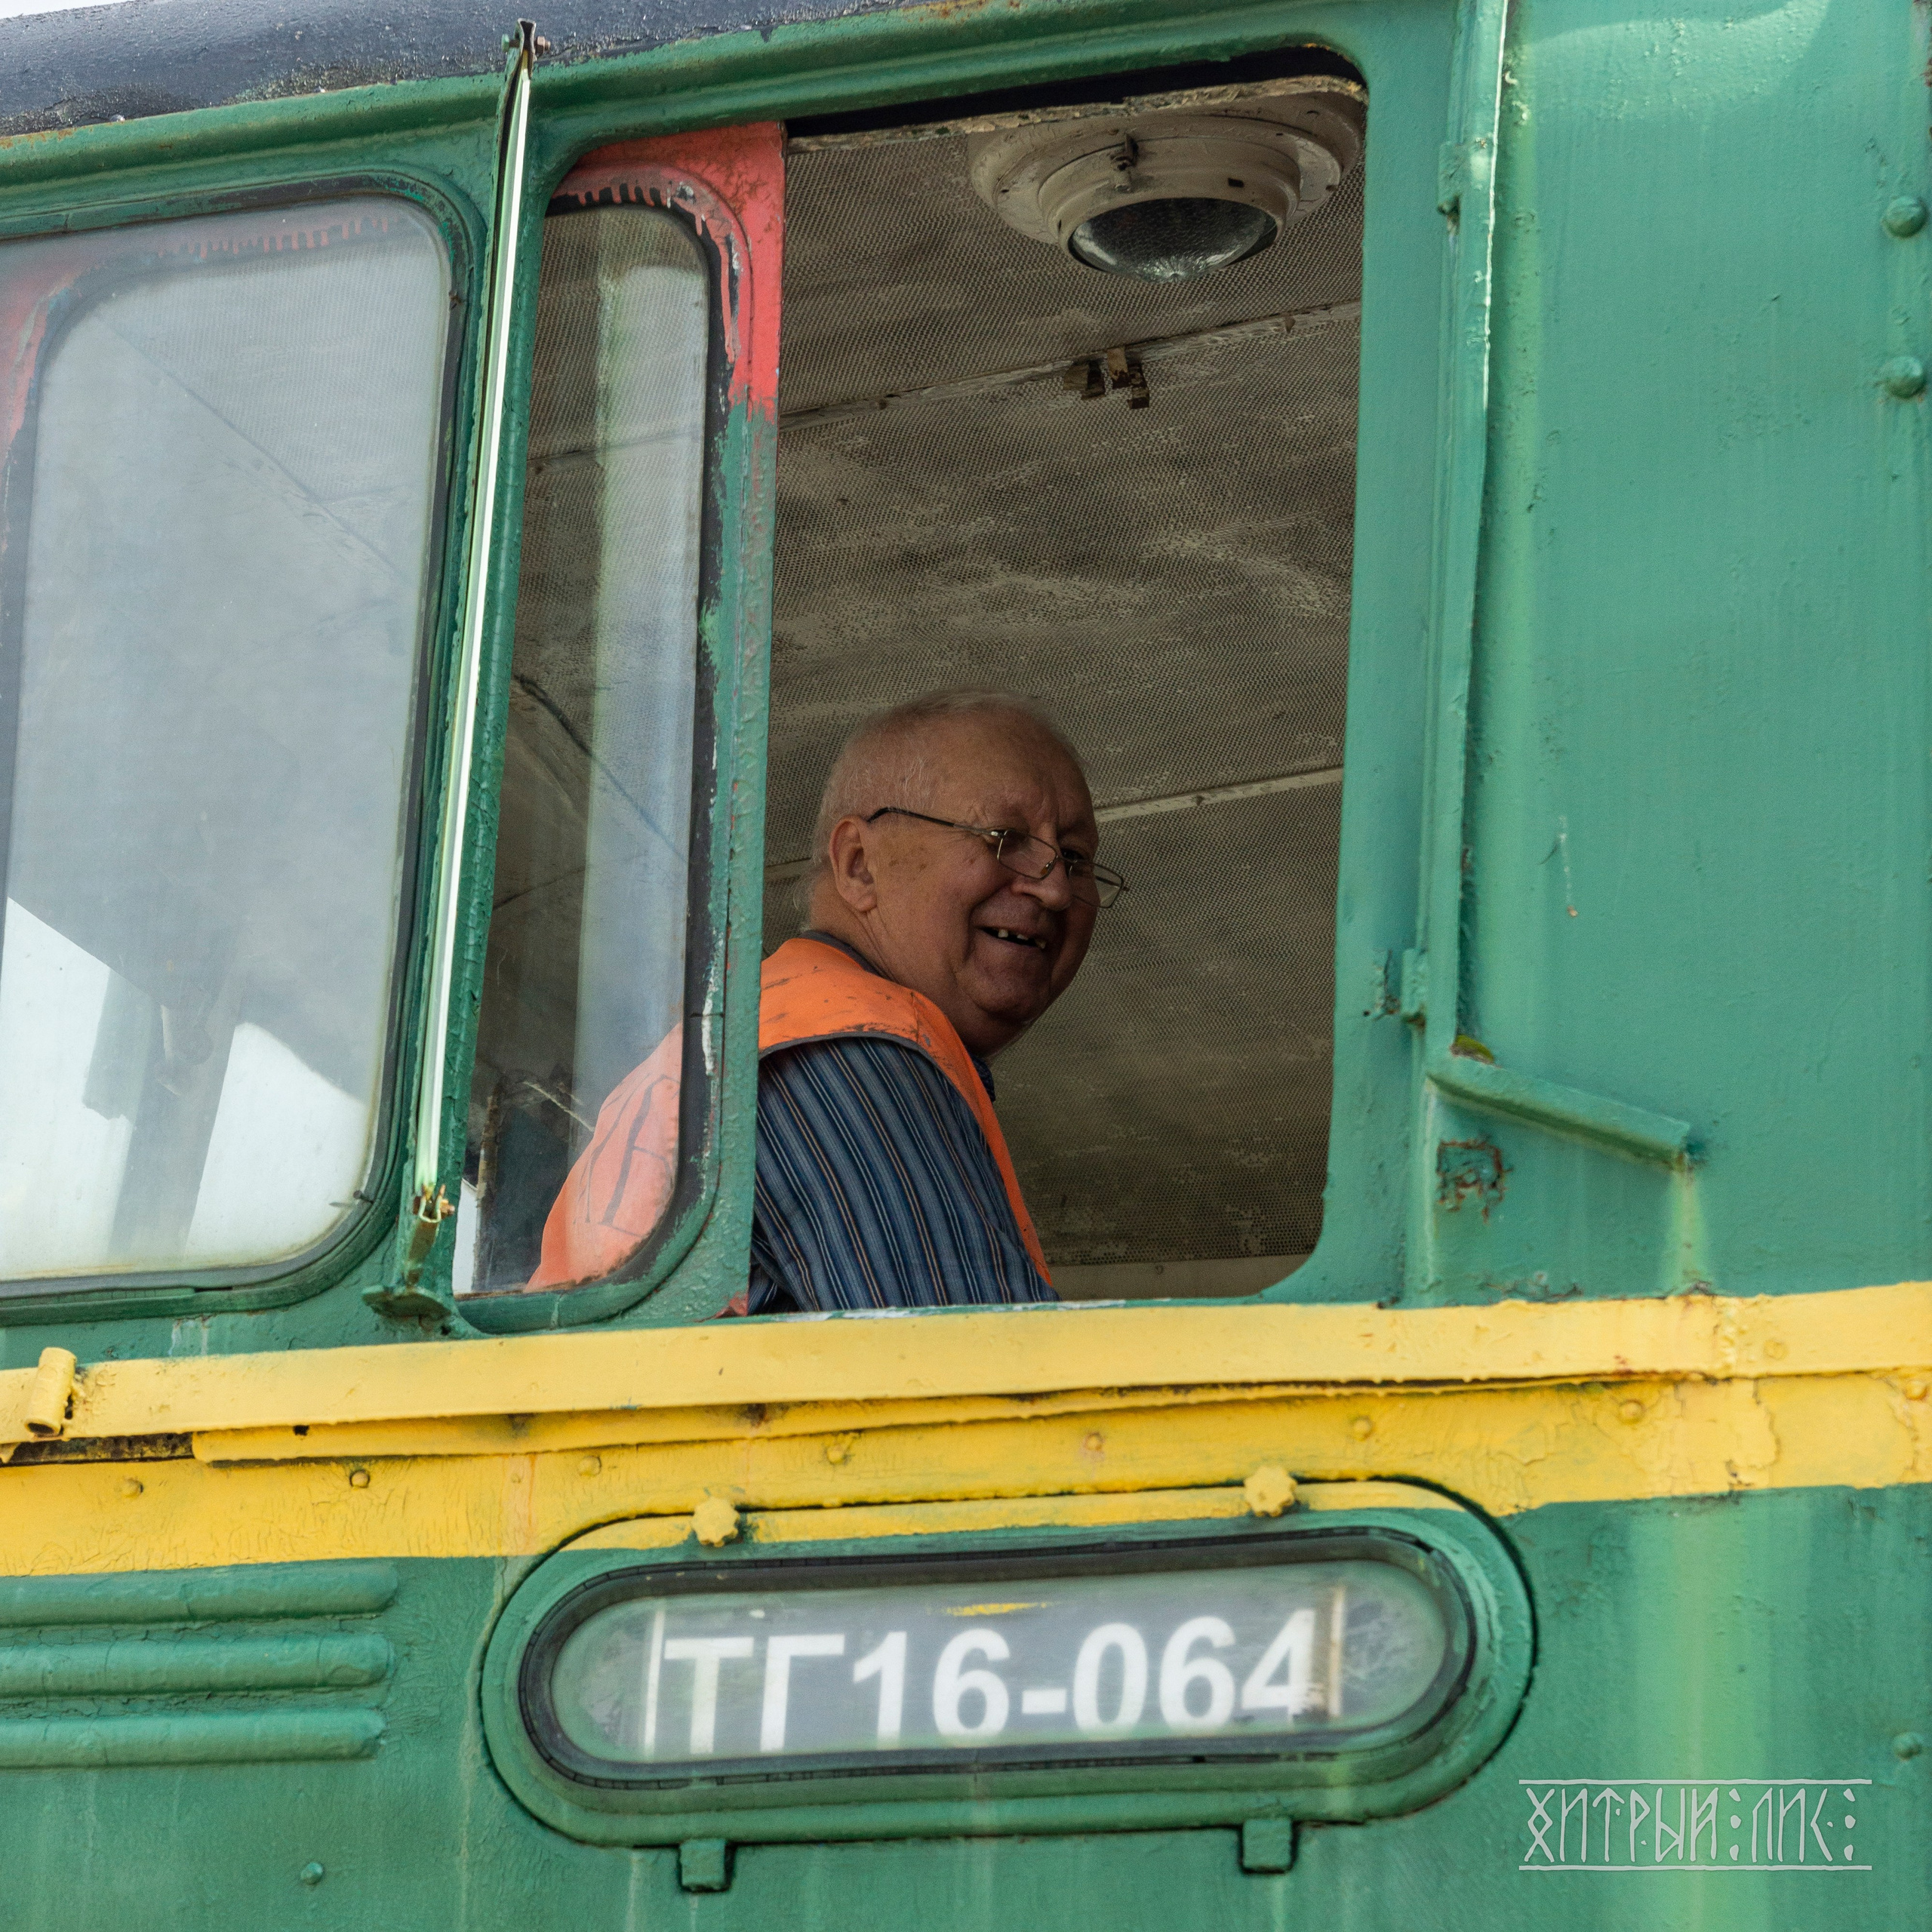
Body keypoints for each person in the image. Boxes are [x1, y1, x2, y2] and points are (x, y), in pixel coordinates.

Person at [528, 691, 1124, 1309]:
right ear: (860, 866)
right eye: (1005, 837)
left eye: (1076, 858)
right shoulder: (849, 1049)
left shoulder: (754, 1031)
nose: (1055, 889)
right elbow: (972, 1381)